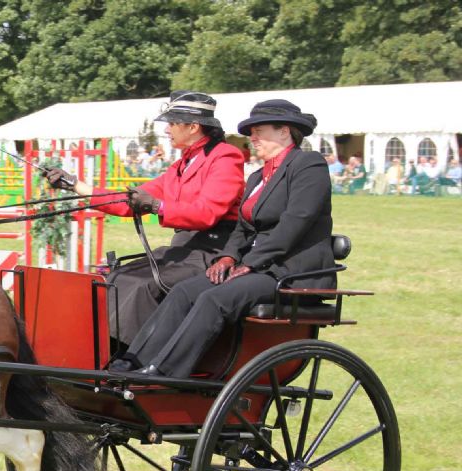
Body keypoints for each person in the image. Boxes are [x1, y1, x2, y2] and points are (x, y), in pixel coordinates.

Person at [113, 99, 335, 378]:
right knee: (184, 291)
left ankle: (165, 371)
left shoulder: (308, 165)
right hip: (257, 266)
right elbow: (242, 228)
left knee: (214, 298)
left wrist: (251, 263)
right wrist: (227, 257)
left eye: (258, 131)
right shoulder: (257, 177)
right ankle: (132, 361)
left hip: (289, 271)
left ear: (284, 131)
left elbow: (295, 223)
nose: (251, 137)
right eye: (250, 131)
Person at [43, 91, 245, 369]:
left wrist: (158, 206)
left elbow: (208, 211)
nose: (167, 129)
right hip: (184, 249)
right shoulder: (180, 166)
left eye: (172, 123)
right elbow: (128, 202)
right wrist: (76, 186)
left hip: (212, 252)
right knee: (117, 275)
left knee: (143, 286)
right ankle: (100, 351)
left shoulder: (225, 157)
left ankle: (132, 360)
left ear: (193, 126)